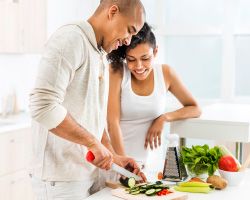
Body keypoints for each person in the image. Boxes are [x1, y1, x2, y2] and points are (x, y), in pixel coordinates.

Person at [29, 0, 146, 199]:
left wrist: (113, 157)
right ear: (113, 12)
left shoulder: (99, 53)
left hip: (89, 176)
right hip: (61, 181)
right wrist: (92, 143)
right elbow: (42, 105)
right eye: (130, 30)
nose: (128, 41)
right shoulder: (70, 39)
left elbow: (94, 117)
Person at [107, 22, 201, 169]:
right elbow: (112, 123)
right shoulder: (117, 71)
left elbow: (195, 108)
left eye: (145, 58)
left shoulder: (165, 73)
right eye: (131, 59)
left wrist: (164, 118)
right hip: (119, 164)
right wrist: (124, 164)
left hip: (151, 165)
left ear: (155, 52)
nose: (138, 66)